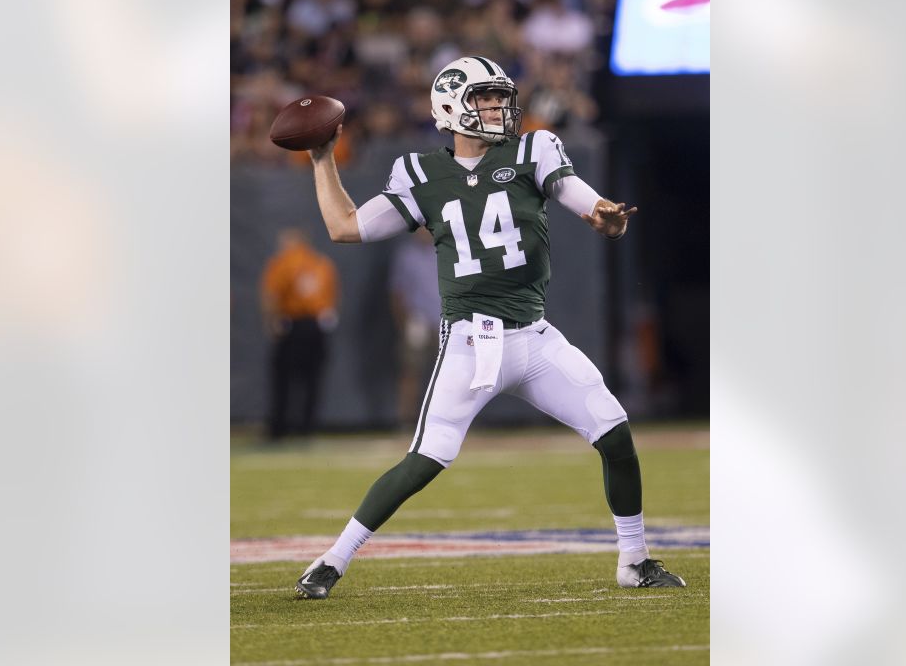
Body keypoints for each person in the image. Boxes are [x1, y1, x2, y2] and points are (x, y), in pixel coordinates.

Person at [294, 56, 683, 599]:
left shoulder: (533, 150)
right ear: (453, 108)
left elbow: (582, 198)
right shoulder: (421, 172)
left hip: (535, 336)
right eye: (484, 98)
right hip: (471, 343)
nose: (499, 106)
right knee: (427, 458)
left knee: (615, 432)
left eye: (500, 96)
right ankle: (331, 561)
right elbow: (344, 227)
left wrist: (604, 215)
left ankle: (634, 560)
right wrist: (322, 159)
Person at [260, 228, 339, 442]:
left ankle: (279, 428)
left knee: (284, 380)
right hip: (316, 326)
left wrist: (271, 321)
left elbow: (271, 295)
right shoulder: (322, 263)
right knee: (312, 380)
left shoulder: (283, 263)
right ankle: (306, 428)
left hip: (291, 324)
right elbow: (330, 298)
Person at [389, 228, 443, 428]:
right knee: (411, 372)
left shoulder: (444, 252)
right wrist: (404, 324)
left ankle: (447, 420)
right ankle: (406, 420)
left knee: (450, 373)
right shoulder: (406, 255)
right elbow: (397, 292)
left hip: (444, 321)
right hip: (417, 320)